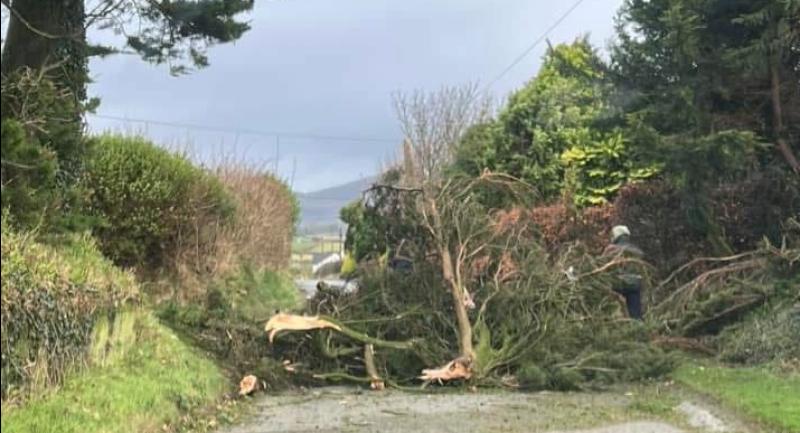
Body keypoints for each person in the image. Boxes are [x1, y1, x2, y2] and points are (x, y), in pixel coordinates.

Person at [602, 225, 645, 320]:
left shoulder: (611, 250)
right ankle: (639, 329)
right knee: (635, 313)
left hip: (617, 285)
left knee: (616, 313)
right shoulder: (636, 250)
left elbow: (602, 266)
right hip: (634, 285)